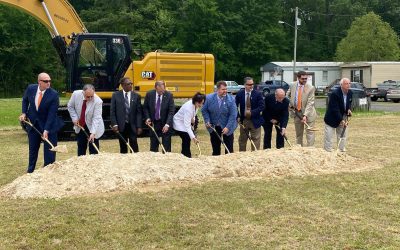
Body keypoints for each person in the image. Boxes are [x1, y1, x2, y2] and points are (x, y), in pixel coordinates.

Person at [19, 72, 64, 173]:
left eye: (49, 81)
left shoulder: (54, 95)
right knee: (33, 150)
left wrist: (46, 130)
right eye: (46, 81)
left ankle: (48, 172)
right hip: (33, 124)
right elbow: (25, 100)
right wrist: (24, 113)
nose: (48, 83)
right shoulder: (31, 88)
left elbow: (52, 114)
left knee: (50, 152)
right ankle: (30, 171)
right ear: (39, 82)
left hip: (49, 125)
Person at [202, 81, 237, 155]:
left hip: (228, 126)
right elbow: (204, 110)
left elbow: (233, 115)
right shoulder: (208, 98)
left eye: (226, 89)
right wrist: (207, 120)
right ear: (217, 90)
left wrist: (227, 127)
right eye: (223, 89)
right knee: (216, 149)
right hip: (214, 126)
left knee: (229, 149)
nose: (225, 91)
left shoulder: (231, 100)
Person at [67, 84, 104, 156]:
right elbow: (70, 106)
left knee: (93, 150)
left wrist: (93, 133)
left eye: (91, 96)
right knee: (81, 147)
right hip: (81, 125)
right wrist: (74, 118)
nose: (90, 98)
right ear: (83, 93)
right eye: (88, 97)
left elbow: (96, 118)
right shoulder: (76, 94)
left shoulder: (98, 101)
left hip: (93, 126)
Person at [110, 77, 143, 153]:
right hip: (121, 125)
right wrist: (114, 124)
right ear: (123, 85)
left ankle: (135, 161)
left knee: (134, 145)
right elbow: (112, 111)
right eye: (128, 84)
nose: (131, 85)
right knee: (123, 147)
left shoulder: (136, 96)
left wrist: (139, 126)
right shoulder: (115, 95)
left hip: (132, 125)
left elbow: (139, 113)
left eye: (131, 84)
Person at [143, 80, 175, 153]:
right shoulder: (149, 94)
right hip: (154, 123)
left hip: (165, 123)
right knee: (153, 145)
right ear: (156, 88)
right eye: (160, 91)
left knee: (166, 146)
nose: (162, 92)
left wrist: (167, 125)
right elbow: (145, 108)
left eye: (163, 90)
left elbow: (171, 111)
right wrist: (147, 118)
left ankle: (166, 159)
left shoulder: (169, 95)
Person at [286, 71, 317, 146]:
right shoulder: (292, 85)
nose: (305, 80)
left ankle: (310, 150)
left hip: (309, 114)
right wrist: (290, 105)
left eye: (306, 78)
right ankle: (299, 149)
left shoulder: (311, 88)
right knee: (299, 134)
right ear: (298, 78)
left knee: (310, 133)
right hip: (297, 113)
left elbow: (310, 103)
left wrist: (305, 115)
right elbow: (287, 96)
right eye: (303, 79)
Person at [173, 93, 206, 158]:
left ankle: (185, 155)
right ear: (196, 102)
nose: (201, 105)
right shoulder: (188, 108)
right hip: (178, 123)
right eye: (200, 103)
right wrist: (193, 137)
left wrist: (193, 120)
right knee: (186, 137)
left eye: (202, 103)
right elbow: (187, 126)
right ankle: (186, 155)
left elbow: (193, 113)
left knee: (187, 137)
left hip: (184, 122)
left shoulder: (195, 104)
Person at [324, 78, 353, 152]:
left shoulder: (350, 92)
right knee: (329, 137)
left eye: (349, 83)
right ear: (341, 85)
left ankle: (341, 151)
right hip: (332, 117)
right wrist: (341, 120)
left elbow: (348, 103)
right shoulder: (335, 94)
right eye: (346, 83)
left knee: (342, 135)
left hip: (343, 116)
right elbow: (335, 109)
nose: (348, 85)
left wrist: (348, 109)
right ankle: (328, 152)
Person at [235, 77, 264, 151]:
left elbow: (262, 106)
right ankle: (242, 155)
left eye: (252, 84)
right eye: (249, 84)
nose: (251, 86)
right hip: (244, 120)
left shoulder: (258, 94)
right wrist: (237, 116)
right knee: (242, 139)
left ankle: (255, 156)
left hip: (255, 120)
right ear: (244, 85)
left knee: (256, 139)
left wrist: (251, 112)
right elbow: (234, 106)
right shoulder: (240, 94)